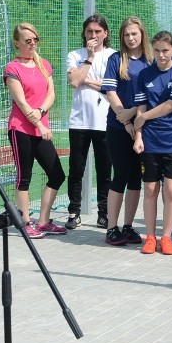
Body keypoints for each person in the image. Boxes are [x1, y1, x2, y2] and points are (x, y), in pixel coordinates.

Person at [4, 23, 67, 239]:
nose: (32, 43)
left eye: (35, 39)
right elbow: (22, 104)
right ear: (17, 43)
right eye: (27, 40)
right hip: (21, 129)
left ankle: (43, 221)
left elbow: (51, 95)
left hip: (40, 128)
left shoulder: (44, 65)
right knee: (24, 178)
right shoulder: (12, 68)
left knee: (57, 174)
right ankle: (25, 223)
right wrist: (39, 124)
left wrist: (41, 113)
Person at [132, 31, 172, 255]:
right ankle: (150, 237)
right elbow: (140, 108)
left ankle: (167, 237)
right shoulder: (144, 74)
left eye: (165, 50)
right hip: (150, 140)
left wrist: (144, 118)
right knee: (150, 189)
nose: (161, 55)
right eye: (157, 51)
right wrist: (138, 135)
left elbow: (171, 105)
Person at [102, 16, 153, 246]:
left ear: (142, 34)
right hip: (118, 126)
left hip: (141, 126)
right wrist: (126, 120)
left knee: (135, 178)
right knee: (120, 174)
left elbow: (152, 97)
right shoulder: (116, 59)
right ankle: (111, 227)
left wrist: (134, 115)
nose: (131, 38)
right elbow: (111, 92)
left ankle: (128, 226)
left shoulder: (150, 61)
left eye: (134, 34)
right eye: (126, 34)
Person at [64, 15, 115, 230]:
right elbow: (74, 81)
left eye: (97, 31)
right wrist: (90, 58)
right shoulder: (75, 55)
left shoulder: (114, 56)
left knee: (104, 170)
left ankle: (104, 213)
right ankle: (74, 212)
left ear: (105, 33)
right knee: (76, 169)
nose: (93, 35)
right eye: (89, 31)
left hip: (106, 122)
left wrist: (88, 81)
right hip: (79, 122)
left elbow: (112, 86)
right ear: (84, 33)